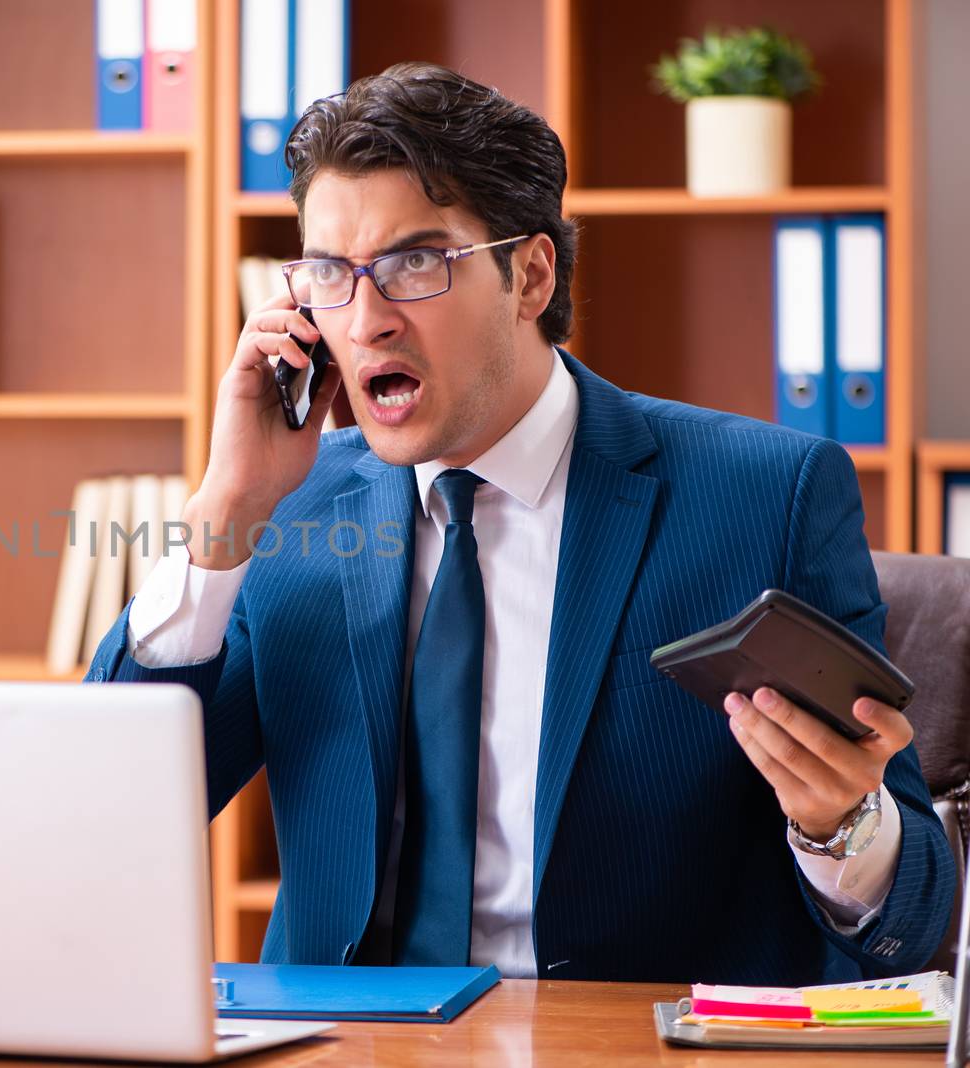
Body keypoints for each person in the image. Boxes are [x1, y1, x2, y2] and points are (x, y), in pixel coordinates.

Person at [84, 62, 952, 984]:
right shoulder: (288, 508)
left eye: (414, 263)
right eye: (332, 274)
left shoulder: (764, 495)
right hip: (338, 1040)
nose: (366, 320)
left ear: (529, 275)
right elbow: (112, 812)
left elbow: (912, 916)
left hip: (621, 1048)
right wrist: (227, 510)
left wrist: (841, 825)